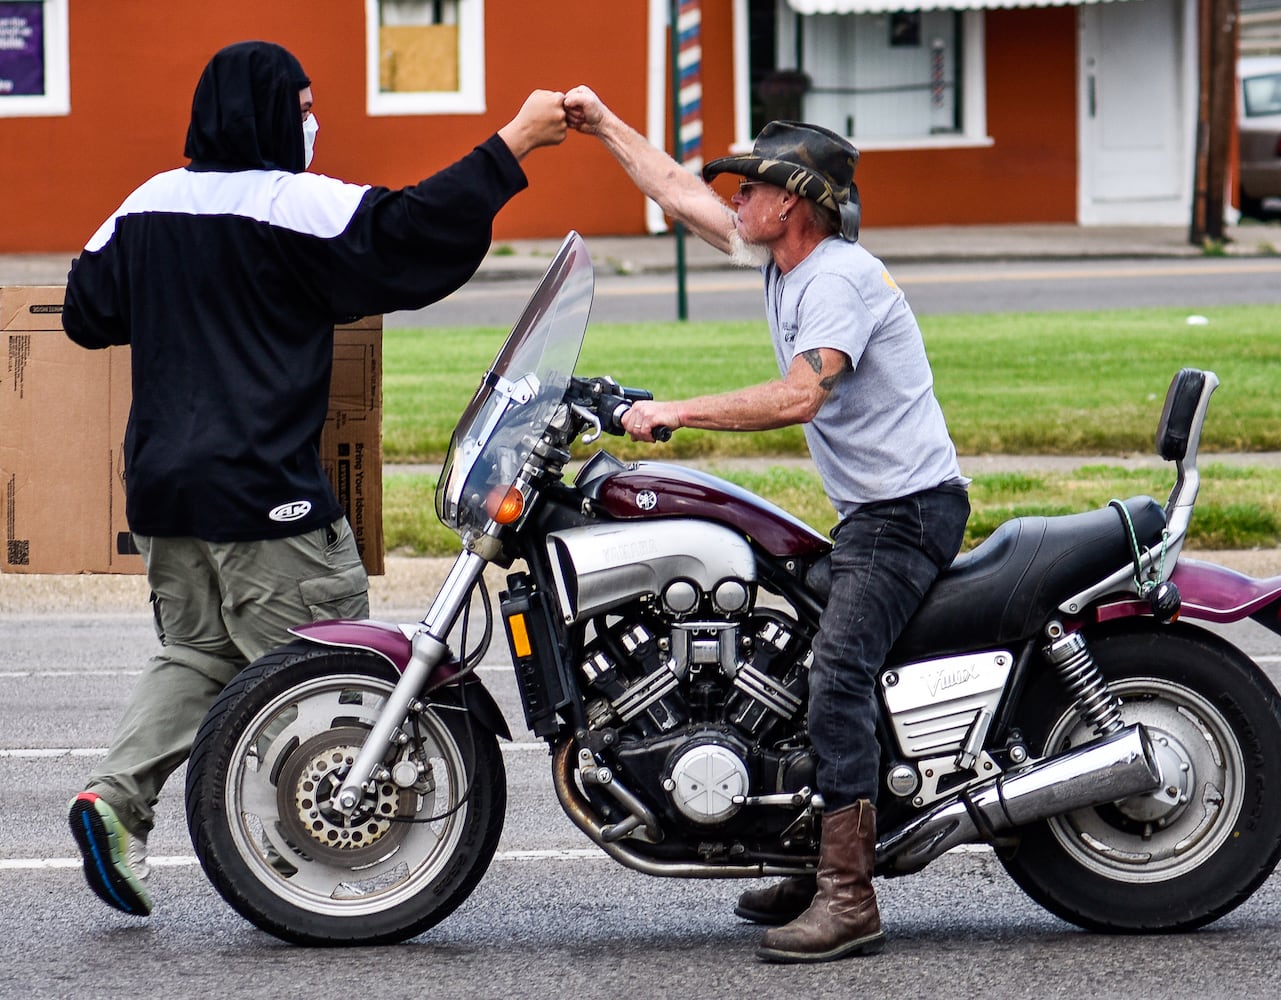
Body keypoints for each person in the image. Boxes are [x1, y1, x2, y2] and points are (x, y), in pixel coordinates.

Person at [61, 40, 567, 918]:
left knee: (199, 651)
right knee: (330, 681)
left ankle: (112, 804)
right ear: (264, 112)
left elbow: (84, 313)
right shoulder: (295, 205)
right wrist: (513, 143)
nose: (310, 120)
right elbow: (414, 231)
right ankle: (334, 874)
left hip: (164, 496)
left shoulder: (143, 205)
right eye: (301, 104)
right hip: (266, 498)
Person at [565, 86, 969, 963]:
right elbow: (675, 189)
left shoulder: (837, 280)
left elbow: (798, 395)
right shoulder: (784, 264)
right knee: (772, 646)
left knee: (836, 676)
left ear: (789, 200)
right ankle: (797, 838)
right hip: (871, 510)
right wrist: (601, 126)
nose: (732, 198)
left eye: (746, 187)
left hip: (904, 516)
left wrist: (671, 410)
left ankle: (847, 897)